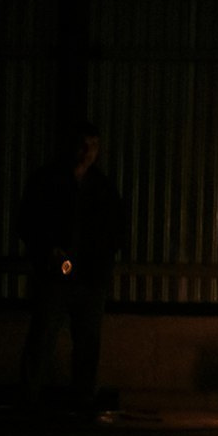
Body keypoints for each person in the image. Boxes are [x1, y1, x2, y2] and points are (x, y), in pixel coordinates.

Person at [16, 121, 127, 413]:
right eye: (83, 145)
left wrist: (99, 263)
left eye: (93, 146)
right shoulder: (47, 182)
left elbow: (116, 231)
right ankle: (29, 398)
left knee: (88, 342)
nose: (87, 152)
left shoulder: (102, 189)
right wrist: (48, 250)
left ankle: (83, 399)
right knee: (42, 338)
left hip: (90, 278)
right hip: (55, 276)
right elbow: (28, 221)